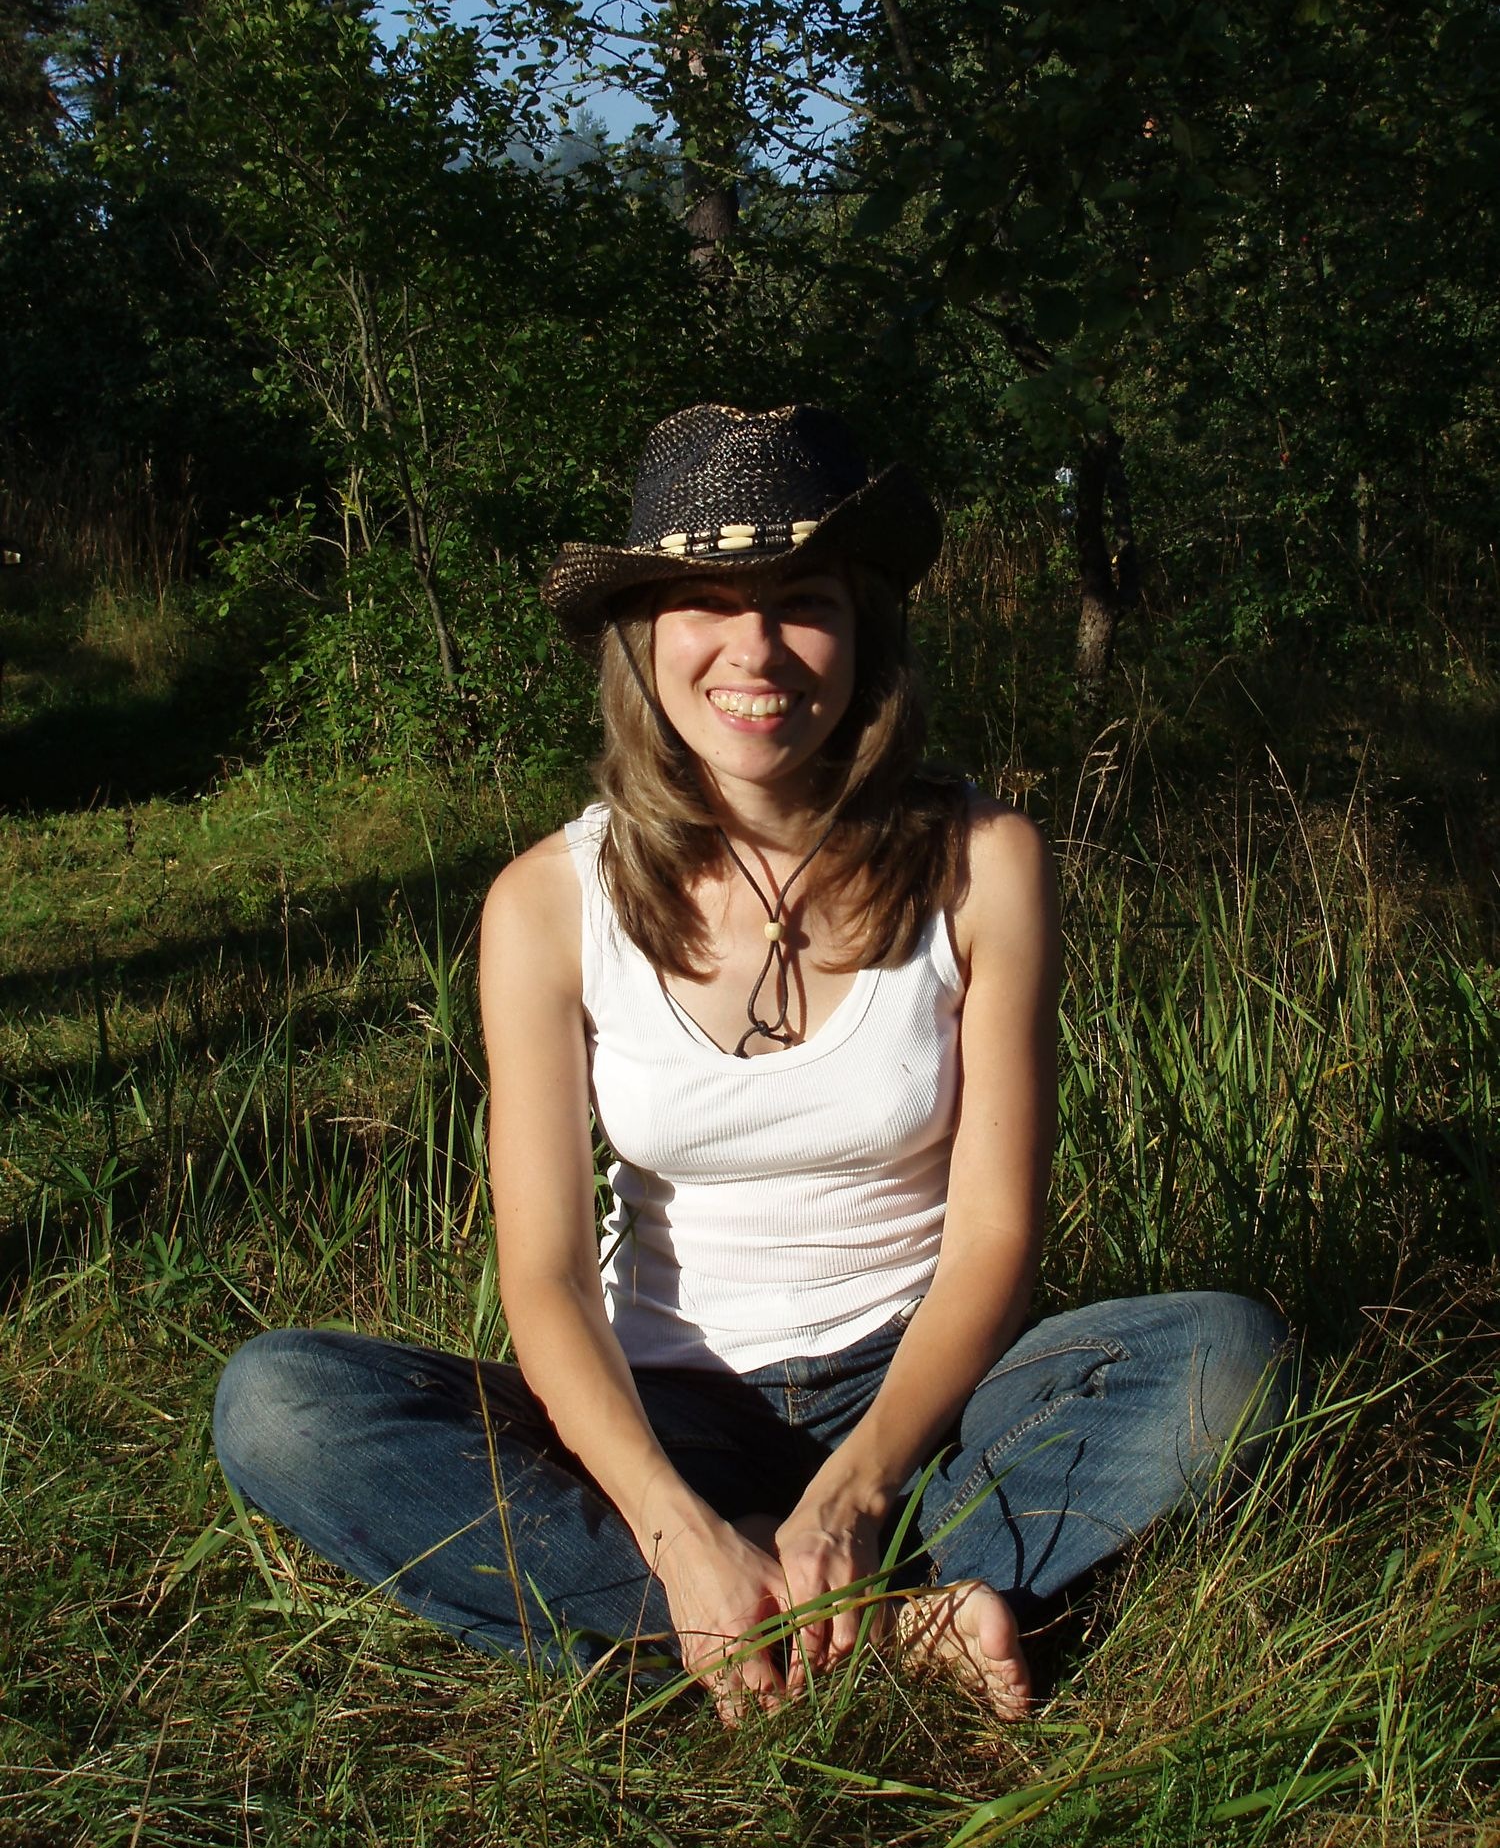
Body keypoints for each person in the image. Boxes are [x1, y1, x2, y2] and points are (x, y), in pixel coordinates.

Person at [213, 403, 1292, 1723]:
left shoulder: (983, 864)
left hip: (928, 1397)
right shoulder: (548, 903)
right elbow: (546, 1276)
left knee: (1226, 1355)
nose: (757, 650)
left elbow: (995, 1235)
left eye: (803, 604)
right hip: (667, 1410)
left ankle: (750, 1615)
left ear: (865, 631)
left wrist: (857, 1487)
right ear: (644, 638)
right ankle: (865, 1615)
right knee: (280, 1406)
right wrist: (673, 1526)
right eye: (708, 604)